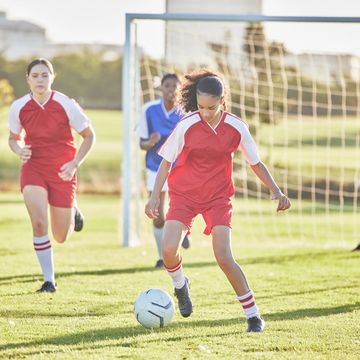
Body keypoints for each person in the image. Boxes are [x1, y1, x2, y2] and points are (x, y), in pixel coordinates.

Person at [145, 68, 291, 332]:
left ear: (222, 102)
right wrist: (155, 196)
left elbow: (255, 163)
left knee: (223, 256)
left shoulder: (236, 127)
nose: (205, 112)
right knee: (168, 250)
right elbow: (165, 162)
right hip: (184, 195)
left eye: (211, 108)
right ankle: (181, 285)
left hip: (218, 198)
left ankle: (253, 316)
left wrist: (276, 191)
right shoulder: (187, 125)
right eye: (200, 107)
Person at [8, 58, 96, 293]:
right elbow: (12, 139)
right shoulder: (18, 107)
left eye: (44, 75)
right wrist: (19, 150)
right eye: (35, 75)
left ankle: (73, 207)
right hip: (33, 167)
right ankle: (49, 280)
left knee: (61, 236)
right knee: (38, 222)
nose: (40, 79)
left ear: (52, 78)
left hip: (63, 172)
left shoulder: (66, 104)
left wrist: (75, 163)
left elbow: (89, 136)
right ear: (27, 79)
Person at [137, 73, 191, 269]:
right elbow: (141, 143)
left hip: (180, 168)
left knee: (180, 210)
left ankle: (183, 234)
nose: (170, 89)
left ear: (179, 89)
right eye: (167, 85)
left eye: (174, 86)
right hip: (155, 167)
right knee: (158, 215)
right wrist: (149, 142)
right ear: (160, 88)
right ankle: (162, 257)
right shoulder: (149, 110)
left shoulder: (185, 112)